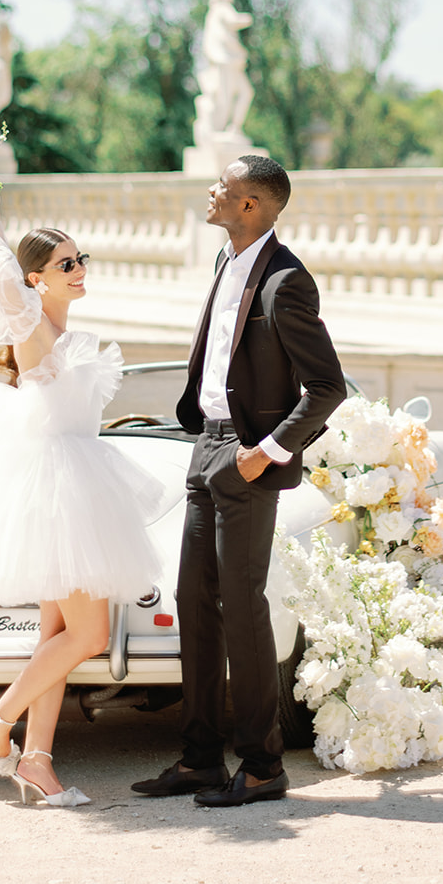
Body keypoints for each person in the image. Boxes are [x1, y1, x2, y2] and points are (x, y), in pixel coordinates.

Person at [132, 155, 346, 807]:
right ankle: (198, 759)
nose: (210, 193)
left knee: (243, 610)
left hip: (247, 459)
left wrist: (268, 451)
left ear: (250, 203)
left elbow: (327, 387)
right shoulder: (226, 265)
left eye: (221, 188)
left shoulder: (286, 283)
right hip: (205, 448)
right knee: (193, 604)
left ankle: (260, 767)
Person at [0, 172, 164, 807]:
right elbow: (0, 279)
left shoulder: (62, 334)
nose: (79, 268)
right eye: (66, 262)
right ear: (37, 278)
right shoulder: (31, 325)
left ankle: (38, 762)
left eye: (80, 258)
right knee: (91, 636)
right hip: (60, 493)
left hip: (78, 486)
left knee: (56, 639)